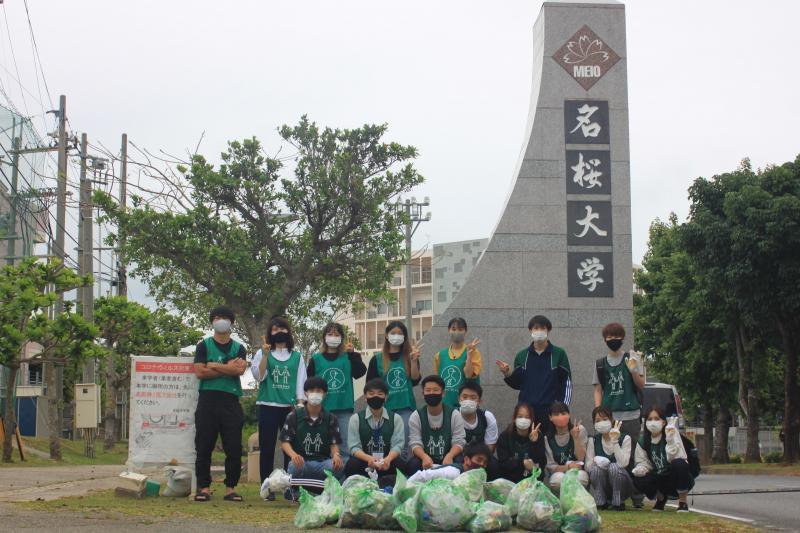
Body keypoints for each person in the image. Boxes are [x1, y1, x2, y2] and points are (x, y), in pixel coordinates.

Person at [192, 305, 248, 502]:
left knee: (233, 447)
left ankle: (230, 488)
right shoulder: (203, 346)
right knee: (204, 446)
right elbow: (199, 372)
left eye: (224, 317)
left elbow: (239, 371)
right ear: (212, 322)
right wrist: (227, 367)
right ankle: (204, 487)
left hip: (230, 401)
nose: (220, 320)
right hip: (207, 400)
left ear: (231, 322)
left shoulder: (239, 348)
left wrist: (214, 365)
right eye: (216, 317)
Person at [250, 316, 307, 494]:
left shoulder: (297, 356)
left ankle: (288, 485)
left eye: (282, 329)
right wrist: (265, 356)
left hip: (288, 407)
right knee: (266, 447)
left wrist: (299, 403)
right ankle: (267, 487)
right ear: (269, 333)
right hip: (267, 405)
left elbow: (301, 381)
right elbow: (259, 376)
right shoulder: (262, 353)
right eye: (275, 330)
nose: (279, 332)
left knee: (290, 447)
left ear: (288, 332)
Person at [496, 315, 572, 433]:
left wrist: (561, 409)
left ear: (549, 330)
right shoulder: (522, 355)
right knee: (529, 445)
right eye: (536, 328)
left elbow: (566, 382)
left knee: (550, 446)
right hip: (527, 412)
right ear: (530, 330)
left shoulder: (559, 354)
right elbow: (518, 384)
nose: (539, 331)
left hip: (551, 412)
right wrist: (508, 373)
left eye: (542, 328)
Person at [307, 322, 367, 462]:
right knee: (322, 445)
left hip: (344, 409)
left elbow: (360, 373)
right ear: (324, 337)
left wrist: (353, 355)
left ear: (342, 338)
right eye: (330, 334)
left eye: (337, 334)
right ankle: (324, 477)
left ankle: (344, 479)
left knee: (345, 446)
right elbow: (308, 384)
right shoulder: (316, 359)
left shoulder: (348, 357)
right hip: (322, 410)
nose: (333, 337)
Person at [279, 377, 344, 500]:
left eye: (319, 391)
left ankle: (325, 492)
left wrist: (336, 455)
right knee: (294, 466)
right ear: (305, 393)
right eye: (311, 390)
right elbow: (285, 442)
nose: (315, 394)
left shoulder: (331, 418)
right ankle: (294, 491)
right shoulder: (294, 415)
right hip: (302, 461)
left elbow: (334, 443)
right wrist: (293, 455)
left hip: (322, 462)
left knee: (338, 467)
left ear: (325, 394)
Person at [366, 321, 422, 454]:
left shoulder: (410, 356)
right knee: (384, 444)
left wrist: (414, 361)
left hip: (405, 408)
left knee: (404, 446)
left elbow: (415, 380)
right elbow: (370, 385)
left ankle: (405, 472)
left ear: (405, 337)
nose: (396, 336)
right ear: (386, 335)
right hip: (383, 410)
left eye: (400, 334)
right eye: (393, 333)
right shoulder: (377, 359)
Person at [345, 378, 406, 487]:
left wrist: (387, 460)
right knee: (351, 464)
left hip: (387, 461)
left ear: (386, 397)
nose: (375, 397)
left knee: (400, 464)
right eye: (371, 393)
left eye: (380, 394)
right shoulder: (356, 419)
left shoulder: (396, 419)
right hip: (365, 461)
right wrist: (369, 459)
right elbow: (354, 447)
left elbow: (398, 445)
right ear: (365, 397)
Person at [632, 407, 694, 512]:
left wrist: (670, 441)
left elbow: (678, 458)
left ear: (663, 422)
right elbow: (643, 462)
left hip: (674, 476)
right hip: (659, 478)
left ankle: (683, 502)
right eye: (650, 419)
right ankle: (660, 499)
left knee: (679, 464)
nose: (653, 422)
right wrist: (641, 469)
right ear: (645, 422)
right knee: (638, 478)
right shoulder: (643, 441)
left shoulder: (672, 433)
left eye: (656, 419)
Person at [585, 406, 647, 511]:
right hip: (604, 483)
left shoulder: (625, 438)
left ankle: (618, 502)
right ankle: (601, 501)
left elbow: (623, 463)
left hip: (622, 484)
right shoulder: (594, 441)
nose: (601, 423)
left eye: (605, 419)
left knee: (614, 467)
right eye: (597, 421)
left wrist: (615, 442)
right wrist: (597, 460)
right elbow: (588, 467)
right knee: (595, 469)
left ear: (612, 420)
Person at [592, 323, 644, 443]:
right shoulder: (600, 364)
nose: (613, 340)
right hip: (609, 417)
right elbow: (598, 390)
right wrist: (598, 413)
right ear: (605, 339)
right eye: (609, 337)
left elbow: (641, 385)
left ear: (623, 338)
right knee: (611, 452)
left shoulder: (633, 358)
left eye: (616, 336)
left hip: (631, 416)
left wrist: (634, 371)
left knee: (631, 453)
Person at [404, 375, 466, 475]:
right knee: (412, 464)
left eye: (436, 390)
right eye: (428, 390)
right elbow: (415, 443)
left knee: (460, 461)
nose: (431, 393)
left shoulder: (454, 414)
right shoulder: (416, 416)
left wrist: (450, 455)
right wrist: (424, 457)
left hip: (448, 457)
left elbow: (459, 441)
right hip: (426, 459)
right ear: (423, 394)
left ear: (443, 393)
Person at [434, 317, 481, 407]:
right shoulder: (439, 355)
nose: (457, 332)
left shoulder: (474, 352)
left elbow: (469, 375)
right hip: (444, 407)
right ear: (448, 330)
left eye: (460, 329)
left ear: (465, 331)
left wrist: (469, 355)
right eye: (454, 329)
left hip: (466, 406)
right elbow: (438, 382)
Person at [544, 401, 589, 494]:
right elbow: (551, 467)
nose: (560, 417)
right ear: (550, 417)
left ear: (569, 415)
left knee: (580, 478)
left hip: (578, 471)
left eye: (563, 413)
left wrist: (575, 438)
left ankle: (578, 502)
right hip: (559, 473)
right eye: (556, 414)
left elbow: (581, 458)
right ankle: (561, 501)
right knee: (557, 480)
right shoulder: (547, 439)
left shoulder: (580, 430)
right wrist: (568, 467)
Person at [457, 382, 499, 479]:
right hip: (459, 455)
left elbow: (490, 447)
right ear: (459, 399)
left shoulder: (487, 417)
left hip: (481, 455)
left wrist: (477, 460)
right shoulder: (452, 416)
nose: (468, 400)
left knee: (493, 464)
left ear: (479, 401)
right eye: (465, 397)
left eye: (473, 398)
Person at [496, 403, 547, 483]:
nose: (523, 420)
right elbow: (503, 463)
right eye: (520, 416)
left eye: (527, 417)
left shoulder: (538, 436)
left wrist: (534, 443)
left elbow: (541, 462)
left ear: (531, 420)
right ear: (514, 418)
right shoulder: (505, 436)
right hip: (510, 478)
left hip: (531, 478)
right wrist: (522, 463)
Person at [406, 441, 492, 482]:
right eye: (479, 460)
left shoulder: (477, 479)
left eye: (485, 463)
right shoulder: (453, 473)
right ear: (466, 460)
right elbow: (422, 476)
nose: (482, 464)